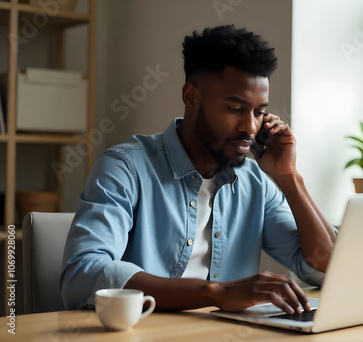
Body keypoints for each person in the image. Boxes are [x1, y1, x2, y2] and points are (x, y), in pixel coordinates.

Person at [60, 25, 336, 315]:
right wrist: (217, 293)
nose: (250, 127)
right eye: (234, 108)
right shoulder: (125, 168)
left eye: (258, 112)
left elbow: (322, 267)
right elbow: (83, 275)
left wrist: (289, 177)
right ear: (191, 97)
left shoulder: (254, 182)